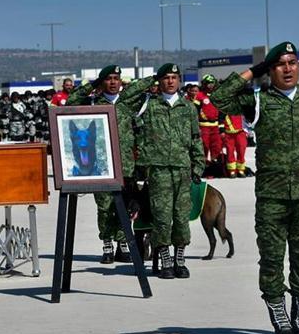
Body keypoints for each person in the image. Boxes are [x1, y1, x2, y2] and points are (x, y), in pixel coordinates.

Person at [209, 41, 299, 334]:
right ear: (271, 70)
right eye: (281, 64)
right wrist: (251, 72)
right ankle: (281, 323)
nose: (288, 68)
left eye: (293, 63)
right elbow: (218, 98)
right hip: (271, 200)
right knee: (271, 262)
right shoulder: (258, 101)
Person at [119, 63, 205, 279]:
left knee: (181, 216)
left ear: (179, 80)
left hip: (183, 169)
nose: (170, 81)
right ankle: (165, 258)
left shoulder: (189, 108)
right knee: (162, 217)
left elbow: (196, 138)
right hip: (158, 171)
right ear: (159, 80)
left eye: (174, 77)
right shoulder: (149, 106)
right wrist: (150, 79)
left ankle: (180, 259)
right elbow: (125, 98)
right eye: (165, 77)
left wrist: (199, 164)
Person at [67, 65, 154, 264]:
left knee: (124, 207)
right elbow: (71, 101)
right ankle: (107, 244)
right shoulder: (93, 104)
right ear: (102, 81)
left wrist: (140, 165)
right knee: (105, 207)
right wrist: (93, 85)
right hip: (102, 166)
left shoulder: (127, 104)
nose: (113, 82)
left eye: (116, 78)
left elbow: (139, 135)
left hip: (125, 166)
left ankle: (123, 245)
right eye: (108, 79)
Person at [196, 75, 223, 165]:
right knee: (204, 147)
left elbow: (221, 112)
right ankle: (203, 167)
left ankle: (214, 166)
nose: (210, 85)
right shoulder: (199, 96)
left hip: (215, 126)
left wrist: (221, 127)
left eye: (212, 83)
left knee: (216, 147)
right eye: (208, 83)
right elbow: (195, 111)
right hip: (204, 127)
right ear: (204, 84)